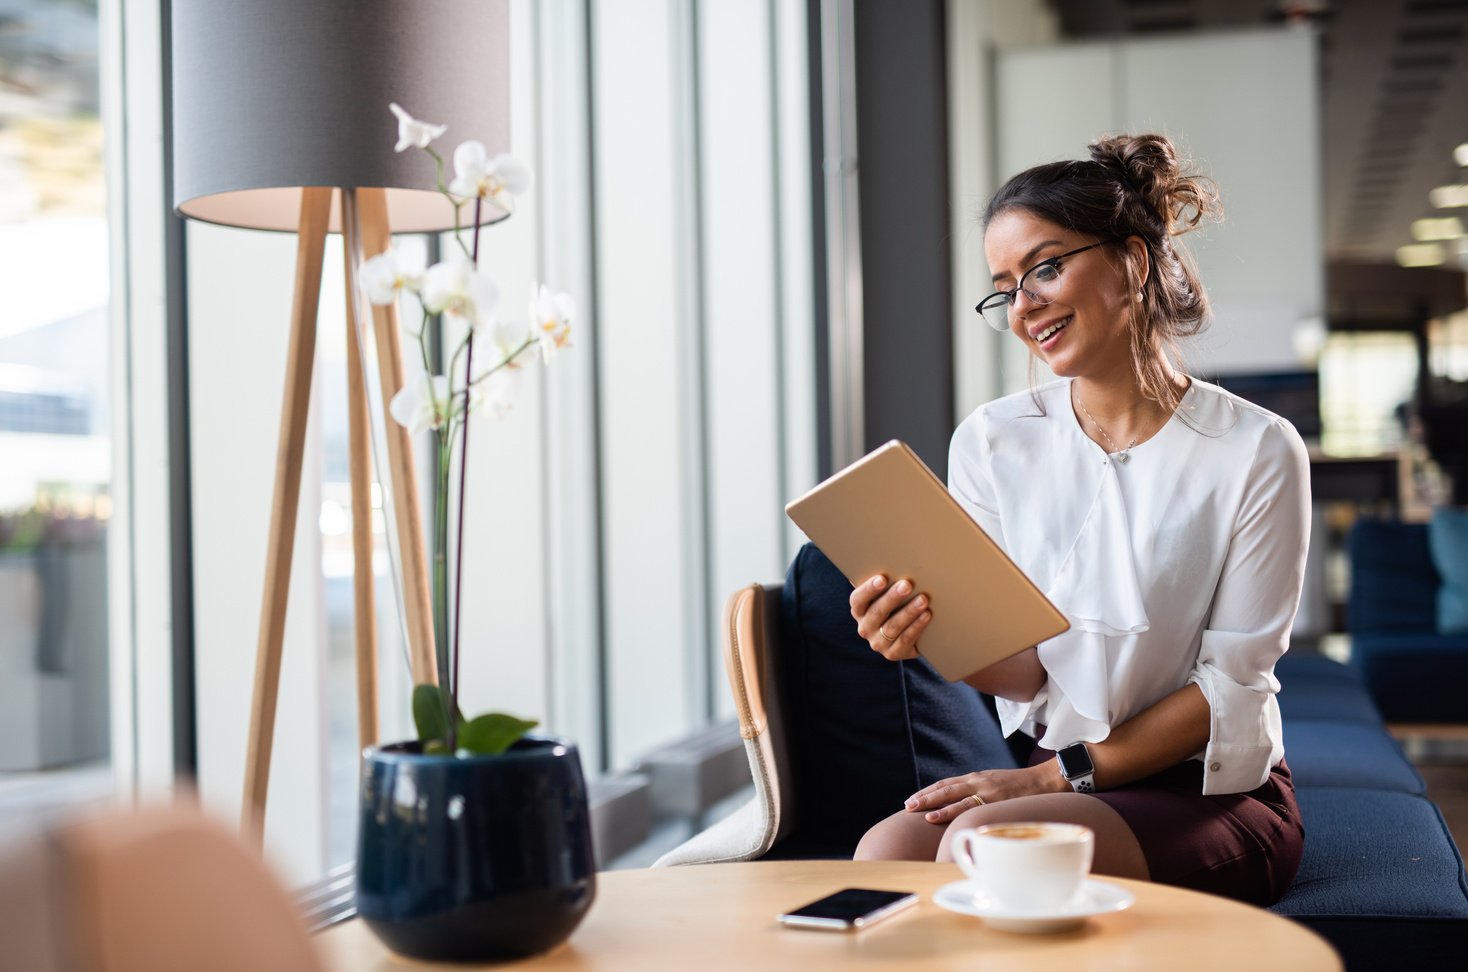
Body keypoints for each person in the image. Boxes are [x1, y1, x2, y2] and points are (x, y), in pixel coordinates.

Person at [849, 133, 1310, 905]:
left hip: (1206, 788)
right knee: (884, 851)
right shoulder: (993, 440)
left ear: (1133, 261)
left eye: (1046, 268)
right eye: (1005, 288)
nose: (1024, 307)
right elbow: (1025, 670)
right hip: (1058, 769)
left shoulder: (1256, 449)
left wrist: (1044, 777)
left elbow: (1230, 687)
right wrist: (925, 632)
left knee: (985, 847)